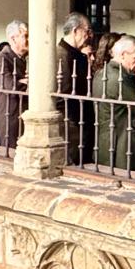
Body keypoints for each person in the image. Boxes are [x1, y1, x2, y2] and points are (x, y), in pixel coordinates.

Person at [93, 35, 135, 171]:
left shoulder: (102, 72)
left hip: (106, 139)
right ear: (123, 55)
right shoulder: (118, 78)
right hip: (121, 144)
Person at [56, 12, 93, 165]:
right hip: (72, 119)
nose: (88, 35)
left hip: (81, 116)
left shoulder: (76, 53)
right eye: (87, 31)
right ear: (76, 30)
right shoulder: (61, 55)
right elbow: (63, 90)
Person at [0, 21, 29, 149]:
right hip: (12, 116)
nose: (30, 40)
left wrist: (22, 81)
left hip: (29, 116)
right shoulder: (0, 59)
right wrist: (28, 82)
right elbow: (8, 86)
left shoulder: (29, 58)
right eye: (26, 36)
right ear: (13, 39)